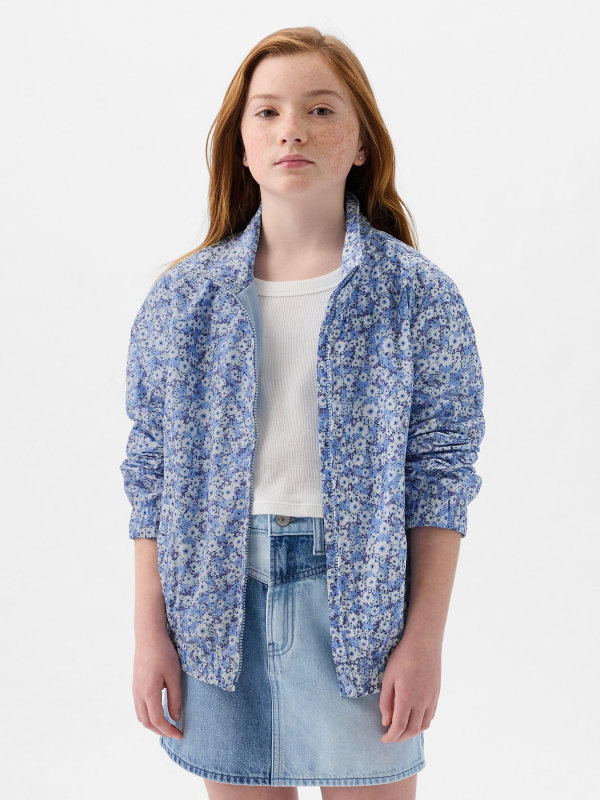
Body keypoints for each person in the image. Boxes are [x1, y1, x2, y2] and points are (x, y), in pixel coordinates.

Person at [119, 25, 485, 800]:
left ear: (362, 143)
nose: (293, 130)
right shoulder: (182, 299)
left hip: (362, 603)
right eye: (268, 112)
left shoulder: (417, 296)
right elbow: (150, 475)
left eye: (321, 110)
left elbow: (441, 477)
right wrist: (150, 632)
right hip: (213, 602)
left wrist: (425, 641)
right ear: (242, 145)